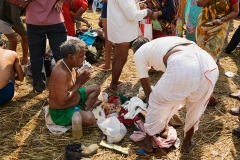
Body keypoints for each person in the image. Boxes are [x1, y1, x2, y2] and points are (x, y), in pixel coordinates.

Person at [132, 37, 219, 153]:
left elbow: (147, 89)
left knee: (155, 100)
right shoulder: (162, 42)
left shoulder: (139, 53)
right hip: (209, 65)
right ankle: (187, 142)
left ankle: (148, 142)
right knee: (196, 107)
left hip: (184, 63)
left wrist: (154, 105)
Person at [8, 0, 71, 93]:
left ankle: (39, 86)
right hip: (55, 19)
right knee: (61, 55)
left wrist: (24, 2)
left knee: (36, 56)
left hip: (34, 21)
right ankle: (66, 85)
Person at [49, 38, 100, 126]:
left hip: (74, 99)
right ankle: (86, 109)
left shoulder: (67, 64)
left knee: (96, 88)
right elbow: (63, 101)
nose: (84, 58)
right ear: (70, 57)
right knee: (90, 119)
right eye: (81, 56)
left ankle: (84, 109)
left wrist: (78, 79)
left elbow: (69, 86)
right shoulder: (61, 73)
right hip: (62, 112)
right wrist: (79, 83)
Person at [107, 0, 153, 92]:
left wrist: (138, 6)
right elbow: (132, 15)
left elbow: (128, 5)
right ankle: (113, 85)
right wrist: (147, 12)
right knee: (122, 59)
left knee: (117, 55)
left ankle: (114, 81)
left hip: (118, 26)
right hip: (122, 29)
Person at [0, 0, 28, 65]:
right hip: (2, 18)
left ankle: (25, 60)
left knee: (26, 37)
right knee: (13, 40)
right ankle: (11, 64)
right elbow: (16, 20)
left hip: (12, 16)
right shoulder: (18, 2)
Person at [0, 39, 24, 105]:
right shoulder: (12, 53)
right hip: (3, 97)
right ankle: (13, 92)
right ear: (4, 46)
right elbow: (21, 78)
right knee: (10, 67)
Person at [98, 0, 112, 70]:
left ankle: (108, 64)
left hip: (109, 7)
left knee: (108, 38)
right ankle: (109, 63)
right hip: (111, 8)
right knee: (110, 38)